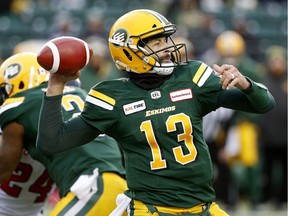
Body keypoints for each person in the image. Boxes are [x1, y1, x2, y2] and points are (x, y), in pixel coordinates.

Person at [36, 9, 275, 216]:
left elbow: (264, 104)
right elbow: (51, 142)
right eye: (157, 42)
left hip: (203, 206)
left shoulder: (191, 77)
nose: (169, 48)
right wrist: (55, 86)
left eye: (166, 40)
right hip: (149, 209)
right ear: (129, 50)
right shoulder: (111, 97)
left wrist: (246, 84)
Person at [0, 52, 127, 216]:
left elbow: (5, 167)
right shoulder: (82, 95)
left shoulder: (20, 105)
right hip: (120, 188)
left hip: (91, 186)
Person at [258, 45, 287, 208]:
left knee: (285, 172)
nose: (277, 64)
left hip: (285, 136)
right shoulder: (263, 82)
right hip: (268, 135)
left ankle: (283, 199)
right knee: (266, 171)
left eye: (280, 61)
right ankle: (265, 198)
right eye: (274, 61)